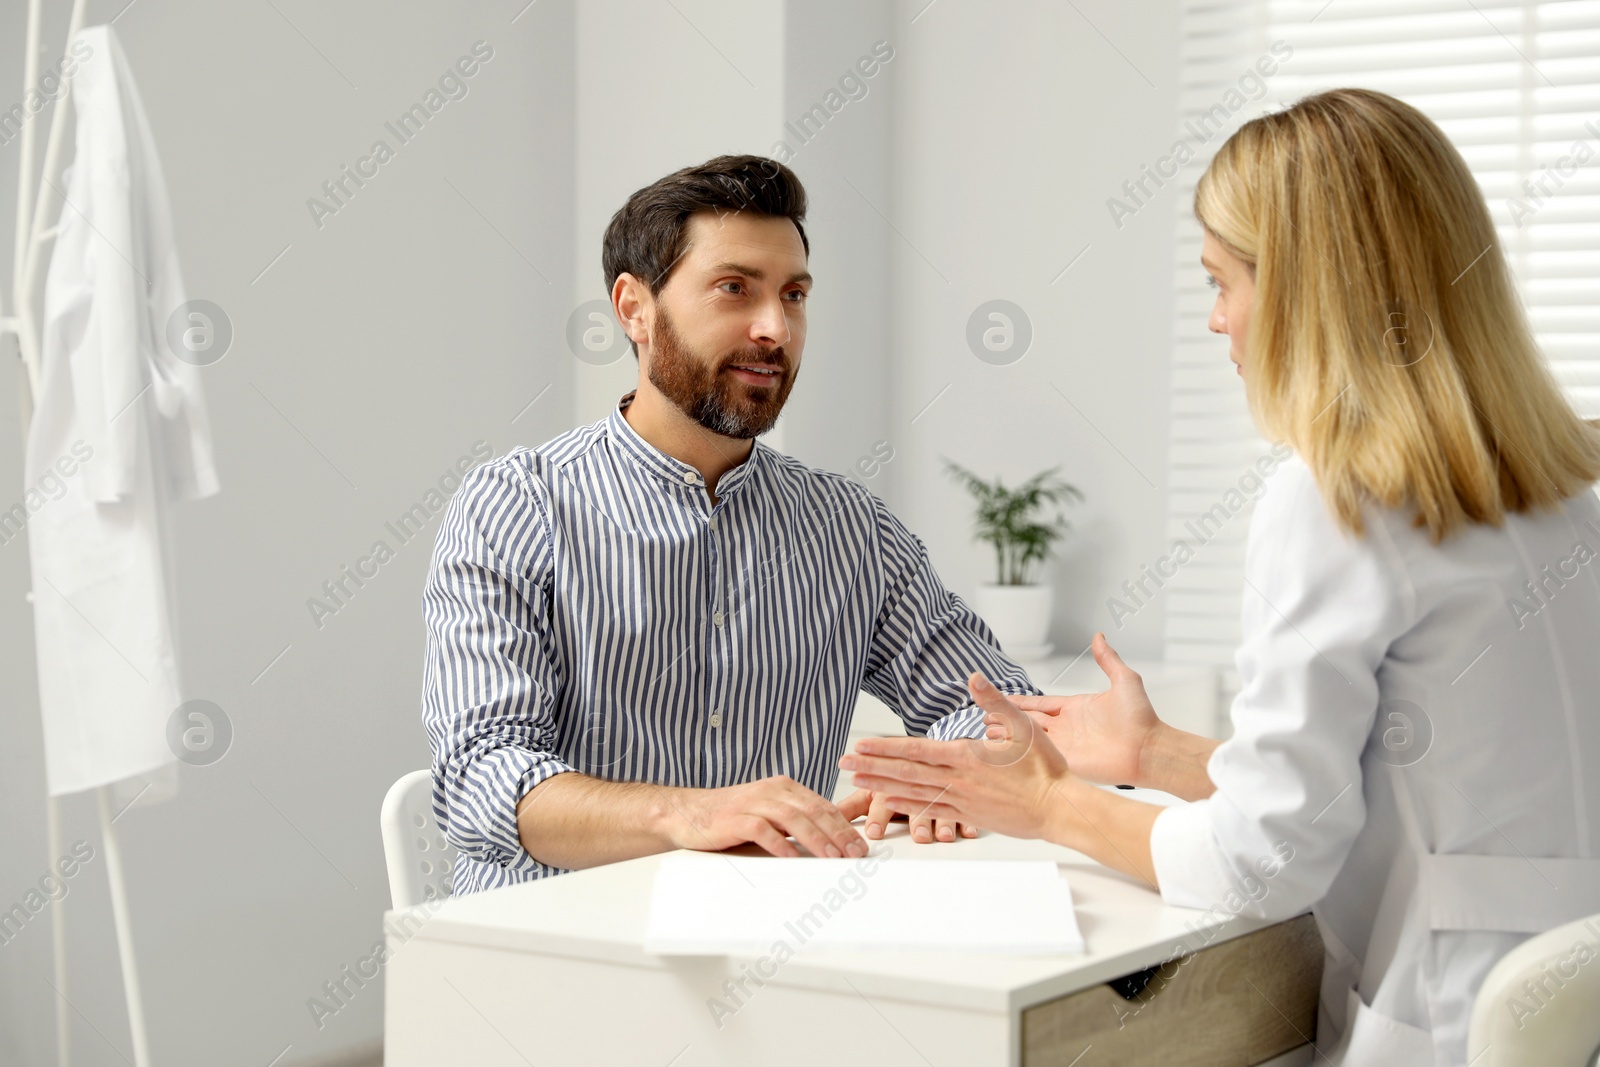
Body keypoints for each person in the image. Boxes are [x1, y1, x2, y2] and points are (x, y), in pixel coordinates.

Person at [839, 88, 1600, 1066]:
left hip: (1445, 1021)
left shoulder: (1338, 500)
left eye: (1223, 280)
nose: (1215, 320)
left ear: (1302, 290)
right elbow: (1436, 791)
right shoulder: (1565, 492)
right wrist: (1153, 752)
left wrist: (1046, 805)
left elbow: (1261, 866)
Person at [420, 154, 1038, 896]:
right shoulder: (515, 507)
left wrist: (950, 773)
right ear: (633, 309)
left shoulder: (851, 529)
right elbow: (480, 779)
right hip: (553, 954)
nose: (774, 328)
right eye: (733, 288)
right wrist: (688, 814)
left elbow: (998, 710)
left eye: (795, 294)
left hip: (775, 940)